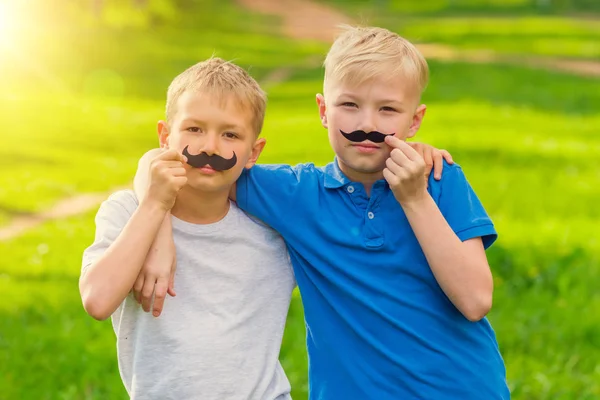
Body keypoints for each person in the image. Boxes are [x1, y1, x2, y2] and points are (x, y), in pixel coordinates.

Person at [136, 25, 508, 399]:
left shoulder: (440, 180)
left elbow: (475, 300)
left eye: (388, 110)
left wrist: (415, 199)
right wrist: (160, 232)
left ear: (414, 120)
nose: (367, 124)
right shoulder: (295, 194)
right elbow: (174, 165)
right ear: (323, 110)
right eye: (350, 105)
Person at [79, 57, 296, 399]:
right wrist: (156, 213)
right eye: (194, 129)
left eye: (230, 134)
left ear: (254, 152)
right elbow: (97, 300)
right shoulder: (128, 212)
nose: (210, 146)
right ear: (165, 136)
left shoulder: (275, 225)